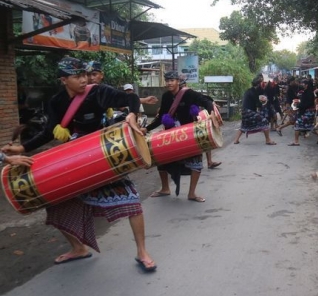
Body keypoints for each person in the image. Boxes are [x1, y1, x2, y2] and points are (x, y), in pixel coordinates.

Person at [1, 57, 157, 271]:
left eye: (85, 75)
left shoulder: (98, 92)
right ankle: (78, 248)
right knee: (55, 204)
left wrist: (131, 114)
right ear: (64, 80)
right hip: (74, 158)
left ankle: (142, 251)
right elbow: (49, 132)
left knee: (131, 200)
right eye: (77, 76)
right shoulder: (56, 102)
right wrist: (22, 148)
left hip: (104, 154)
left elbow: (130, 99)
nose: (84, 80)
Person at [145, 71, 215, 201]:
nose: (169, 83)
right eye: (167, 80)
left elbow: (206, 101)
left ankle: (192, 193)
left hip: (188, 134)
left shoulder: (189, 94)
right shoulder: (166, 96)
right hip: (171, 133)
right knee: (161, 159)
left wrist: (211, 113)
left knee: (196, 162)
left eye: (172, 80)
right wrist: (146, 128)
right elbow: (161, 117)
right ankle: (165, 188)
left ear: (178, 81)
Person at [234, 75, 277, 145]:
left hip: (244, 111)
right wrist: (263, 101)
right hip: (249, 111)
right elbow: (259, 104)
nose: (262, 85)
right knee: (265, 121)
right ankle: (268, 140)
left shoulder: (249, 90)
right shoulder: (254, 92)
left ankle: (236, 140)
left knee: (244, 125)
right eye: (261, 83)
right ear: (258, 84)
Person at [288, 78, 317, 146]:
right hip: (308, 112)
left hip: (307, 113)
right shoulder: (307, 92)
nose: (301, 85)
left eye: (303, 84)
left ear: (306, 85)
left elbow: (308, 104)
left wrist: (299, 106)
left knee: (297, 124)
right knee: (310, 126)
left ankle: (296, 141)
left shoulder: (309, 93)